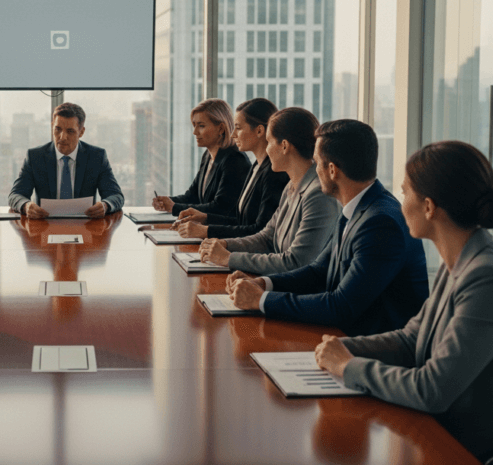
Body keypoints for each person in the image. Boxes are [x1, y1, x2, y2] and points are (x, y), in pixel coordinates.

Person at [315, 141, 493, 461]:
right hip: (449, 433)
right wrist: (346, 348)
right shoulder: (460, 260)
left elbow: (432, 390)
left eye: (404, 192)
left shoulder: (489, 278)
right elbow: (412, 340)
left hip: (487, 453)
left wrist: (348, 366)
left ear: (428, 206)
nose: (399, 203)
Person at [225, 119, 429, 336]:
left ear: (332, 170)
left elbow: (341, 306)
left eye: (316, 162)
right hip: (342, 340)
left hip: (372, 353)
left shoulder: (380, 223)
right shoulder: (357, 208)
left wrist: (262, 300)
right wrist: (264, 284)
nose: (313, 169)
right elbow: (318, 271)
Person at [198, 107, 339, 275]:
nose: (267, 149)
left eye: (269, 141)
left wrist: (228, 258)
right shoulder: (292, 186)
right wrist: (225, 244)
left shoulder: (318, 195)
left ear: (284, 146)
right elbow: (266, 237)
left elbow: (296, 262)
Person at [174, 98, 288, 240]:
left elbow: (260, 231)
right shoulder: (256, 167)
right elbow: (240, 221)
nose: (233, 134)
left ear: (259, 130)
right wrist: (205, 218)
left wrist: (206, 231)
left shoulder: (273, 173)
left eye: (238, 128)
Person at [7, 102, 125, 219]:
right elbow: (15, 195)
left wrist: (105, 206)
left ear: (81, 132)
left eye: (70, 131)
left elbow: (115, 195)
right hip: (43, 226)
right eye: (57, 129)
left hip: (86, 227)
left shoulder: (96, 157)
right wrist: (26, 206)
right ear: (52, 126)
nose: (62, 137)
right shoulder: (35, 157)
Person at [152, 99, 251, 218]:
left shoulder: (235, 160)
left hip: (221, 234)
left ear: (220, 129)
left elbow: (220, 207)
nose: (195, 132)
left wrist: (175, 207)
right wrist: (167, 201)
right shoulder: (208, 156)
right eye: (194, 125)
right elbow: (193, 196)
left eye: (201, 126)